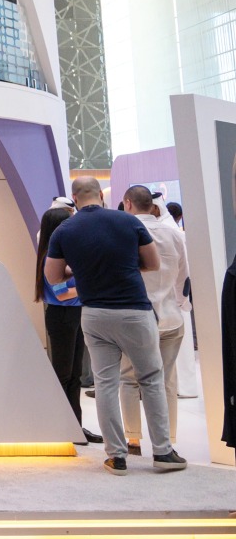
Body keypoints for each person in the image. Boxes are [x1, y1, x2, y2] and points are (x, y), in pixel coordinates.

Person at [45, 177, 187, 475]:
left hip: (95, 314)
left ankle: (116, 457)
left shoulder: (64, 230)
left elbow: (54, 276)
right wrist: (121, 264)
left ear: (74, 197)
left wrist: (82, 268)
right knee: (150, 378)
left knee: (106, 383)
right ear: (100, 194)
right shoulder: (127, 221)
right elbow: (152, 263)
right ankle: (162, 452)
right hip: (134, 310)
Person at [120, 187, 188, 456]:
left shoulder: (127, 232)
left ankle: (133, 440)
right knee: (167, 380)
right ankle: (167, 439)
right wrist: (181, 304)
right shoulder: (173, 232)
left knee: (129, 378)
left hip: (136, 316)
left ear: (128, 204)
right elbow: (184, 277)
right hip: (171, 316)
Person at [34, 203, 102, 445]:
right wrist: (85, 282)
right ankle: (61, 427)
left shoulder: (62, 258)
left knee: (74, 376)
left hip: (73, 315)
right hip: (61, 316)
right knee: (63, 375)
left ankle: (75, 427)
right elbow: (61, 293)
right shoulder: (48, 260)